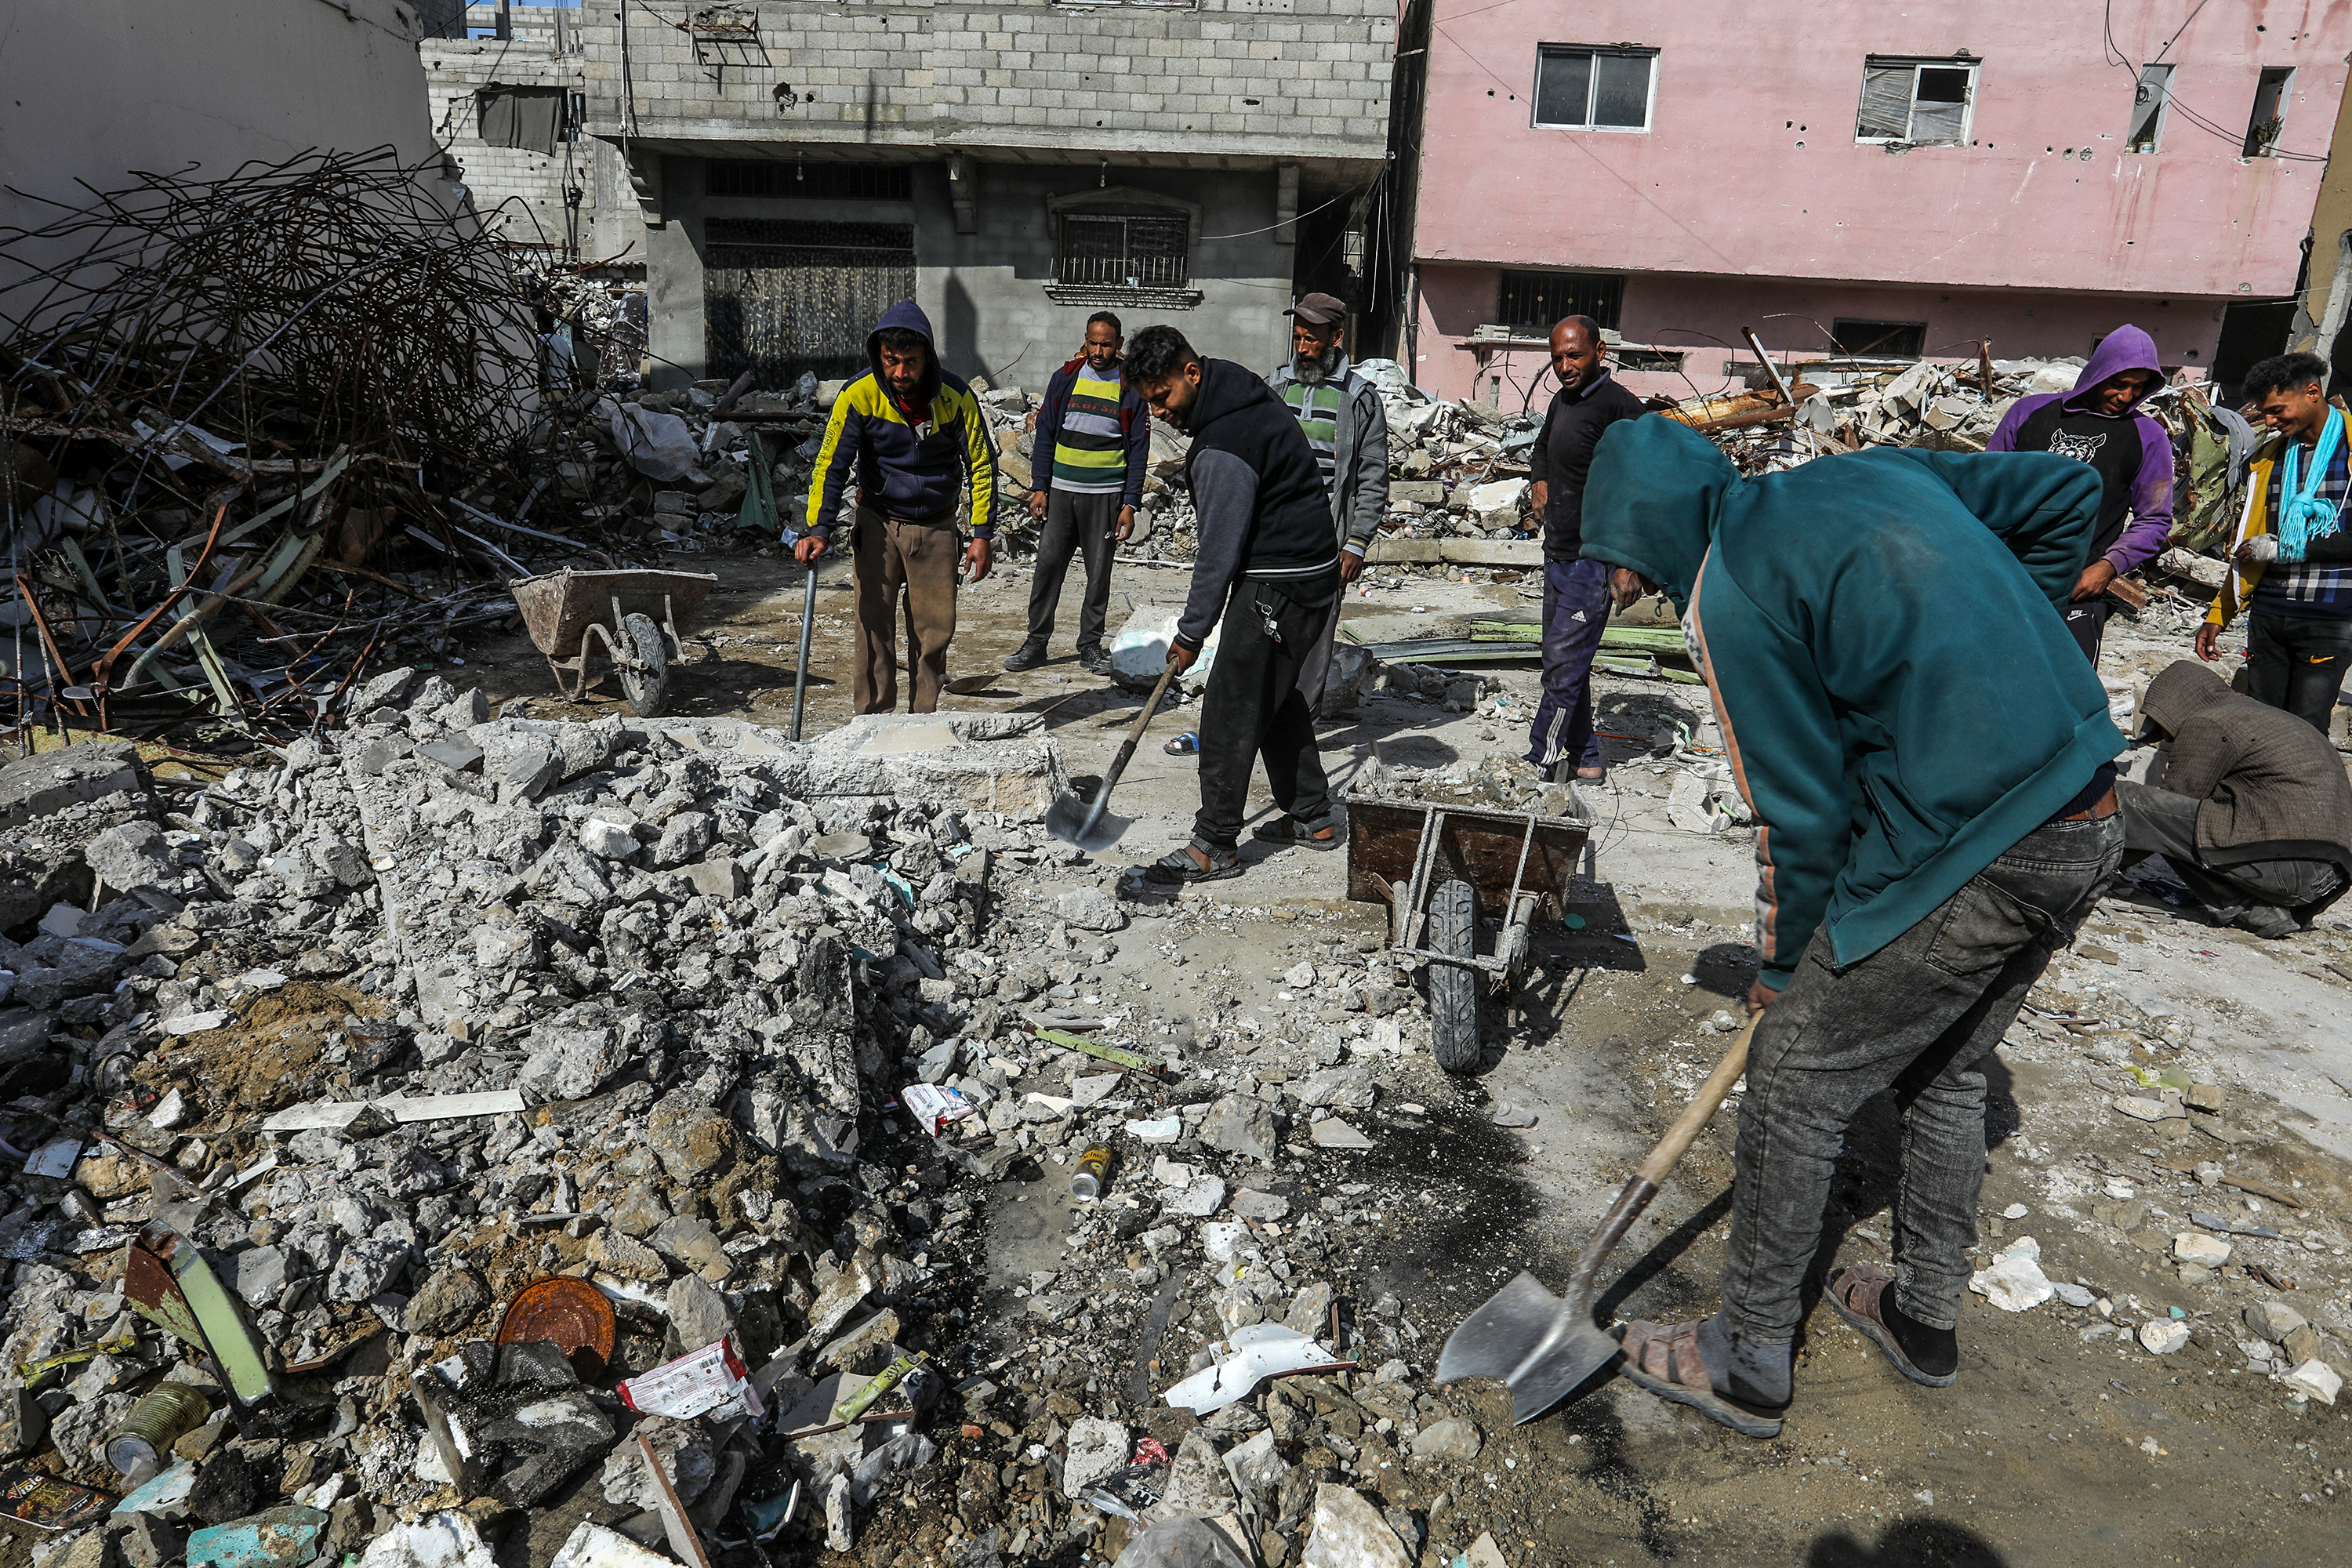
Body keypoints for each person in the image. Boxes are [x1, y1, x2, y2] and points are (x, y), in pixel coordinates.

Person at [1577, 417, 2126, 1439]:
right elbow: (2063, 496)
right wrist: (1998, 655)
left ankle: (1743, 1359)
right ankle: (1922, 1316)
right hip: (2089, 808)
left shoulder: (1729, 597)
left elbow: (1806, 816)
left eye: (1624, 561)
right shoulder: (1869, 474)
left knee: (1794, 1071)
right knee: (1945, 1070)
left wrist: (1784, 974)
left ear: (1637, 532)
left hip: (1985, 845)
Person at [1125, 325, 1341, 883]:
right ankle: (1313, 816)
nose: (1159, 412)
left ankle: (1214, 843)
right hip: (1310, 573)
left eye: (1163, 396)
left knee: (1228, 707)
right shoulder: (1237, 385)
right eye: (1148, 402)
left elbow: (1218, 554)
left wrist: (1191, 633)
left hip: (1281, 582)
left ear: (1190, 372)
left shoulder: (1222, 447)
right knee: (1272, 694)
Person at [797, 301, 996, 714]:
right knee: (873, 627)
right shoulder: (859, 394)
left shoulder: (955, 397)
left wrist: (981, 535)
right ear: (879, 356)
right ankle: (872, 718)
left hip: (938, 528)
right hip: (879, 523)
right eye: (891, 361)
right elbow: (831, 464)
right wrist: (819, 528)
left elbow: (981, 464)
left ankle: (921, 720)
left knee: (934, 631)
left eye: (910, 362)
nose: (900, 373)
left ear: (928, 358)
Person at [2118, 659, 2352, 938]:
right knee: (2205, 822)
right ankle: (2258, 910)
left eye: (2164, 727)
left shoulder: (2207, 722)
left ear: (2177, 706)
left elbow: (2167, 808)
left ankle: (2243, 903)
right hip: (2329, 879)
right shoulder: (2257, 716)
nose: (2167, 737)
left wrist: (2105, 861)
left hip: (2290, 867)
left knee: (2130, 800)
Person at [1984, 325, 2176, 664]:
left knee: (2063, 696)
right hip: (2003, 579)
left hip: (2077, 588)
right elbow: (1985, 489)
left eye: (2138, 387)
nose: (2126, 396)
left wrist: (2107, 568)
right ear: (2098, 373)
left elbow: (2154, 519)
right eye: (2118, 384)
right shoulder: (2030, 413)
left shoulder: (2147, 436)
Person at [2197, 351, 2352, 734]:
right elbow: (2252, 544)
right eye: (2264, 412)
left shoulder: (2349, 449)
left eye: (2277, 409)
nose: (2268, 421)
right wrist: (2220, 614)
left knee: (2305, 732)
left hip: (2330, 618)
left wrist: (2287, 549)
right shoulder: (2271, 458)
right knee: (2259, 727)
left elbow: (2274, 546)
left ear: (2312, 392)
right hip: (2269, 614)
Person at [1526, 315, 1647, 778]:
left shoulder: (1622, 409)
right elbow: (1541, 450)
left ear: (1600, 352)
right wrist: (1539, 480)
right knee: (1566, 663)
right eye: (1557, 358)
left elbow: (1639, 492)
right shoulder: (1562, 402)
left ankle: (1541, 758)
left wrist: (1625, 565)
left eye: (1573, 355)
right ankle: (1587, 758)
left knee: (1561, 668)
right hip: (1557, 552)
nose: (1564, 366)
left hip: (1593, 560)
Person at [1006, 312, 1150, 677]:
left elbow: (1138, 450)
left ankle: (1089, 646)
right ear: (1084, 340)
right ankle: (1036, 643)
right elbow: (1046, 435)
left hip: (1105, 497)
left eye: (1106, 344)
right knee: (1048, 568)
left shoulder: (1130, 387)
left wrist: (1130, 504)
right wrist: (1040, 487)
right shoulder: (1066, 378)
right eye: (1093, 342)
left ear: (1119, 345)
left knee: (1098, 574)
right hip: (1060, 493)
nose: (1098, 351)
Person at [1265, 292, 1388, 582]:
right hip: (1272, 534)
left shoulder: (1360, 399)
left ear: (1336, 338)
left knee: (1316, 624)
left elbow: (1373, 476)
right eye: (1297, 339)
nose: (1302, 349)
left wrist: (1356, 543)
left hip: (1326, 539)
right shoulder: (1274, 388)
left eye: (1311, 339)